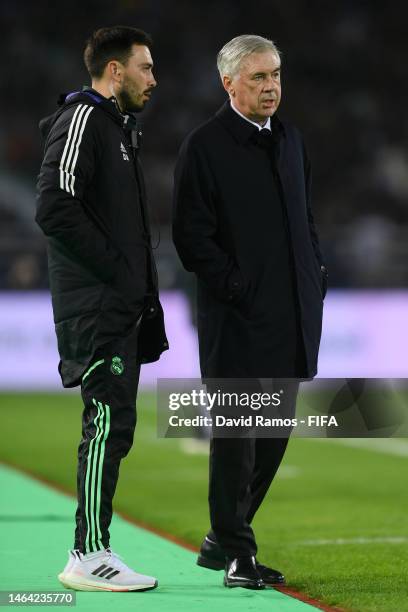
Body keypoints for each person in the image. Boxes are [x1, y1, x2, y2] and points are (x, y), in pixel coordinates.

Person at [173, 35, 327, 589]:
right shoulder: (204, 146)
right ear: (229, 83)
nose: (271, 87)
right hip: (236, 320)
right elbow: (191, 238)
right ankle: (238, 551)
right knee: (238, 438)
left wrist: (317, 276)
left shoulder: (291, 141)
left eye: (276, 76)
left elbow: (306, 220)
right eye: (259, 78)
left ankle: (225, 538)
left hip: (291, 317)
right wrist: (236, 288)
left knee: (274, 436)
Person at [36, 26, 168, 592]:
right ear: (115, 72)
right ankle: (87, 554)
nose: (153, 78)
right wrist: (118, 274)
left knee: (117, 427)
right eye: (145, 67)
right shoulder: (85, 119)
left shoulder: (117, 127)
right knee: (107, 423)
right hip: (97, 307)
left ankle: (95, 547)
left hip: (116, 307)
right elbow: (54, 206)